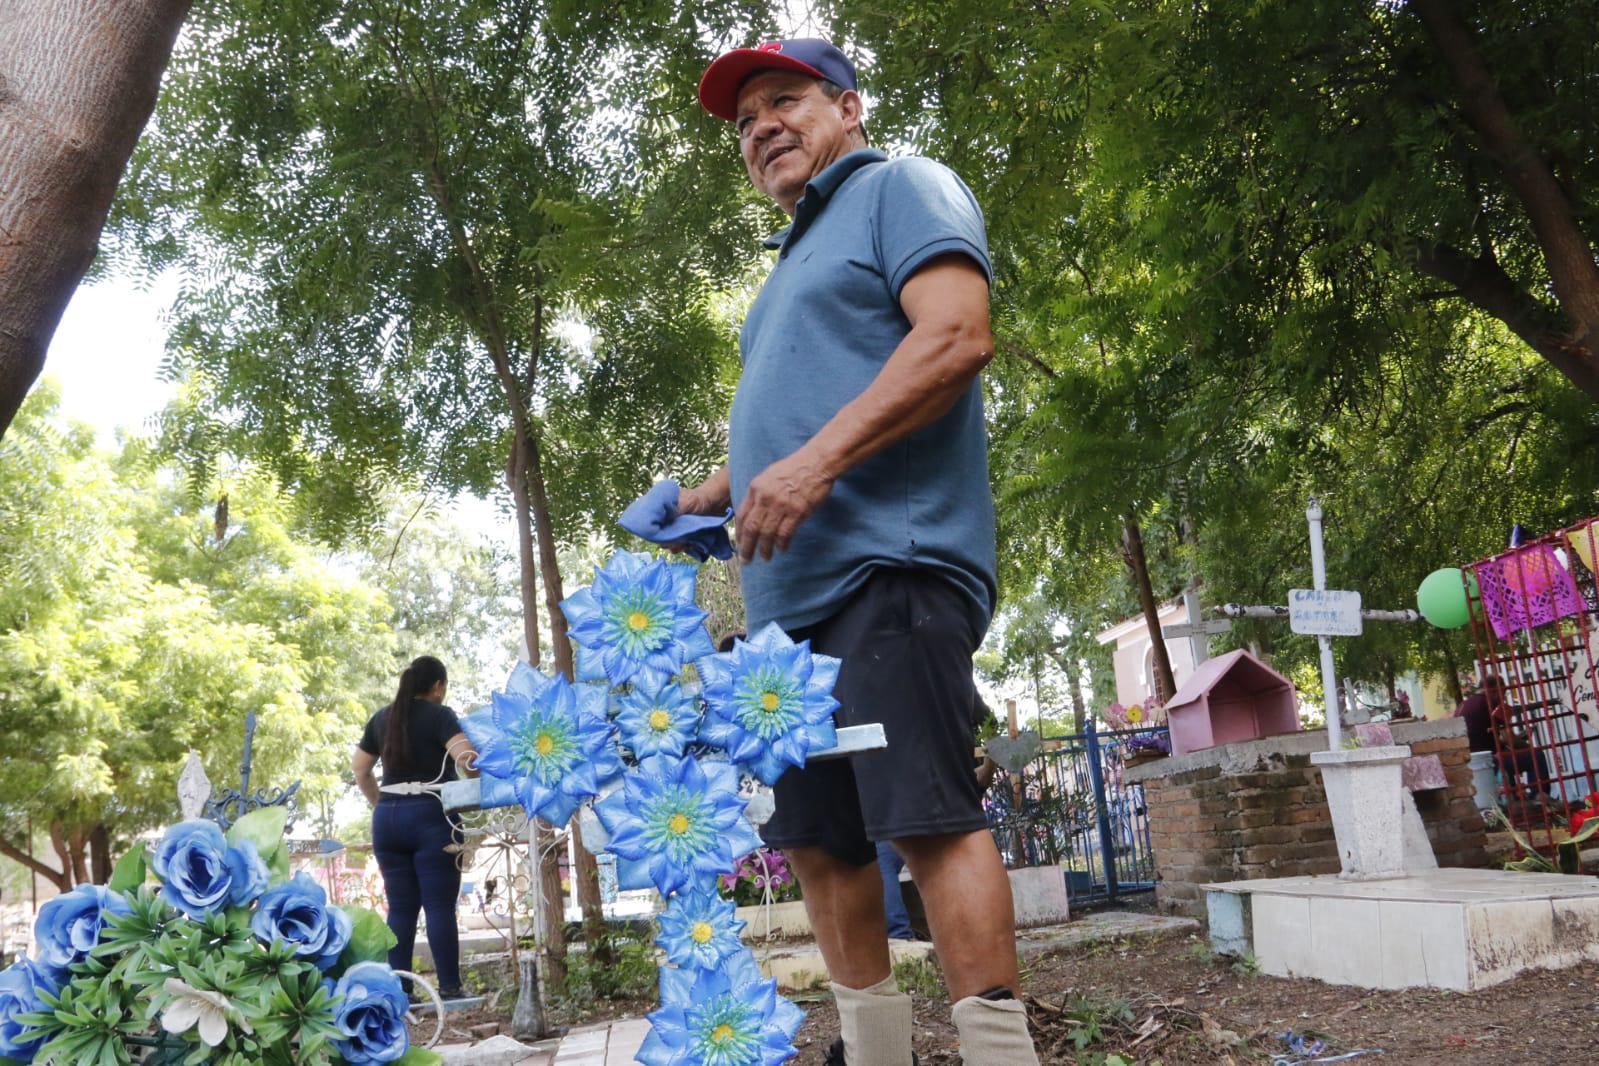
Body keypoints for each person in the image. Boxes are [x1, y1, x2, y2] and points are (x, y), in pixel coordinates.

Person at [681, 40, 1040, 1065]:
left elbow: (957, 335)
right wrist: (727, 485)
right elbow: (808, 407)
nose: (759, 129)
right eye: (745, 123)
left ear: (849, 108)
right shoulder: (790, 265)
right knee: (820, 845)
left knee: (926, 818)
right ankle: (875, 1054)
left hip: (890, 568)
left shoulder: (901, 187)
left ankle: (1000, 1054)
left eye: (783, 101)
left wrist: (812, 464)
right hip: (784, 616)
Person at [352, 655, 478, 1000]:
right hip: (431, 815)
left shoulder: (382, 718)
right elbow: (465, 758)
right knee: (438, 905)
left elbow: (360, 769)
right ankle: (450, 989)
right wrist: (482, 765)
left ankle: (400, 993)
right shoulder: (440, 715)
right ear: (438, 686)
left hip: (388, 819)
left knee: (401, 907)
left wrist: (380, 803)